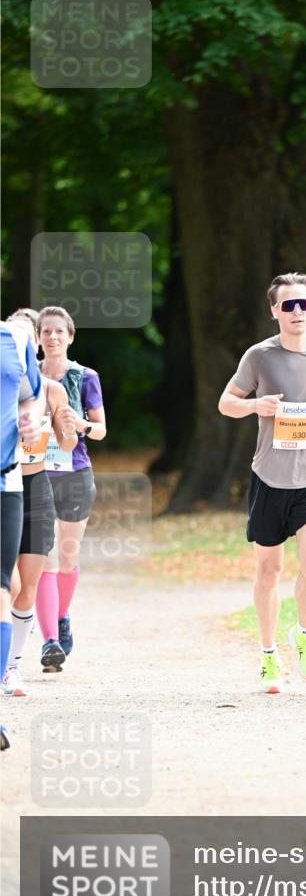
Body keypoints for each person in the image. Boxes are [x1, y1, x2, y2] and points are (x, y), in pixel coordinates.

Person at [219, 272, 306, 694]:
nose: (297, 312)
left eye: (304, 304)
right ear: (274, 310)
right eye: (288, 305)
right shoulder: (260, 356)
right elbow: (226, 403)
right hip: (270, 477)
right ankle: (268, 655)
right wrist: (258, 404)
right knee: (269, 570)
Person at [3, 310, 77, 696]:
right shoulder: (3, 382)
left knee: (28, 585)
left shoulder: (52, 389)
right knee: (9, 585)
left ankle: (12, 667)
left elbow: (67, 445)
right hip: (6, 487)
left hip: (38, 489)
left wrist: (66, 426)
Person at [34, 306, 106, 673]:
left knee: (67, 557)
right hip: (37, 474)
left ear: (70, 336)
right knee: (43, 556)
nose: (52, 337)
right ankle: (49, 642)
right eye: (45, 331)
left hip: (75, 473)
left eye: (59, 331)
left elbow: (101, 429)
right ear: (38, 338)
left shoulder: (85, 376)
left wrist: (79, 423)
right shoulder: (27, 377)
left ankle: (62, 617)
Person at [0, 320, 43, 749]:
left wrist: (29, 425)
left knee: (2, 590)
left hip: (5, 483)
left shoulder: (15, 339)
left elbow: (29, 400)